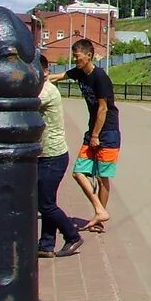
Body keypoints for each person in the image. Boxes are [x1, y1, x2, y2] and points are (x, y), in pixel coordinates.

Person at [48, 38, 120, 232]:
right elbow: (58, 76)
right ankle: (99, 209)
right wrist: (39, 79)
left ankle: (100, 217)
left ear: (89, 55)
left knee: (102, 176)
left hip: (108, 132)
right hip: (93, 131)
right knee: (79, 172)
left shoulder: (100, 77)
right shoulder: (79, 73)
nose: (75, 59)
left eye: (77, 56)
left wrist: (96, 135)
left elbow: (103, 109)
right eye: (74, 56)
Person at [37, 55, 83, 258]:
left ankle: (72, 236)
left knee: (44, 204)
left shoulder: (45, 91)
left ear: (45, 71)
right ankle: (46, 245)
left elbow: (23, 104)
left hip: (52, 156)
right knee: (46, 200)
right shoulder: (40, 88)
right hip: (45, 155)